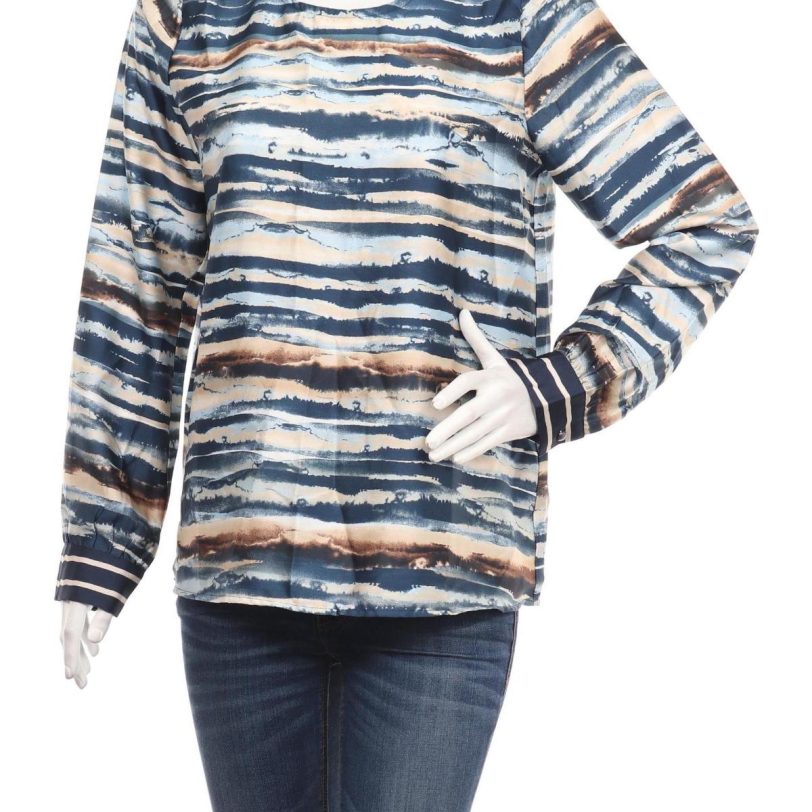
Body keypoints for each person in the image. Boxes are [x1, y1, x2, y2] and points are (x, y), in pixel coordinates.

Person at [54, 0, 759, 809]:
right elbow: (137, 282)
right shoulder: (192, 18)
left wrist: (559, 383)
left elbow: (708, 223)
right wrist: (102, 537)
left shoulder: (516, 16)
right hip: (245, 561)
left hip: (440, 561)